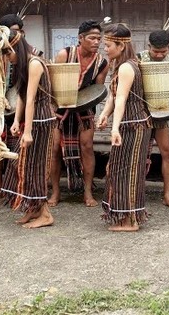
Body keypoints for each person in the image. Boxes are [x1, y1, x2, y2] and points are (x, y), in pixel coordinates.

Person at [0, 13, 42, 201]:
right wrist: (0, 99)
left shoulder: (34, 55)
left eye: (18, 31)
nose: (17, 34)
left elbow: (28, 91)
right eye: (12, 31)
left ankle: (18, 188)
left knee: (21, 151)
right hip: (0, 106)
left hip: (22, 108)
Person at [0, 29, 55, 228]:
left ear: (15, 48)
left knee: (35, 167)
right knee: (22, 164)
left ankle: (45, 214)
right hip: (32, 121)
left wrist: (28, 131)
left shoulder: (35, 64)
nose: (7, 57)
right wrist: (16, 121)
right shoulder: (24, 64)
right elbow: (22, 96)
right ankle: (33, 208)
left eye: (7, 52)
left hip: (41, 121)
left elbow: (31, 99)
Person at [96, 23, 152, 231]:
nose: (105, 49)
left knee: (126, 172)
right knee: (119, 170)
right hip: (129, 124)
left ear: (120, 46)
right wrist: (103, 114)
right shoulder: (119, 65)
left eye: (108, 45)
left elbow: (121, 99)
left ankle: (129, 220)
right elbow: (113, 95)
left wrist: (114, 128)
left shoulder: (127, 67)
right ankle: (128, 217)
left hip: (134, 125)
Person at [49, 20, 109, 207]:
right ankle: (55, 192)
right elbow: (53, 84)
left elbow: (96, 91)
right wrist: (52, 106)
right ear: (80, 38)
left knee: (87, 148)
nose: (96, 42)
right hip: (60, 108)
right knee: (54, 149)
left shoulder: (101, 63)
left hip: (85, 110)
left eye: (99, 39)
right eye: (92, 38)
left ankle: (88, 192)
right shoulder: (65, 54)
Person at [138, 29, 169, 210]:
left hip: (161, 113)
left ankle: (167, 195)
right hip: (141, 113)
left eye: (163, 51)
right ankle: (136, 195)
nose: (159, 54)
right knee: (138, 155)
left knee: (167, 152)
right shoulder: (138, 59)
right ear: (149, 47)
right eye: (156, 51)